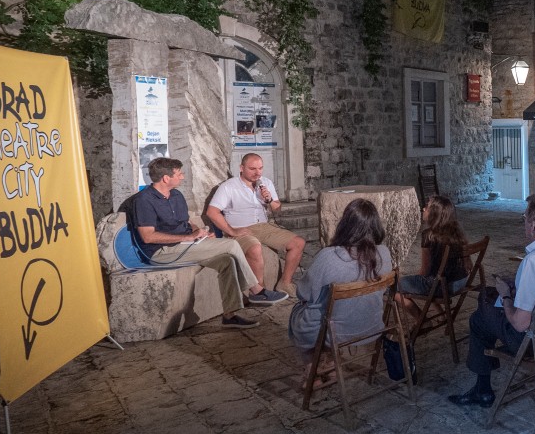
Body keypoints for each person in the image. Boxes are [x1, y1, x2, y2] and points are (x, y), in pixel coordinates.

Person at [449, 193, 535, 408]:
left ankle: (483, 390)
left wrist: (506, 295)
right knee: (488, 300)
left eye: (524, 218)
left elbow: (520, 324)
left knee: (479, 318)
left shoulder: (534, 261)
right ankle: (483, 379)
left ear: (532, 225)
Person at [133, 157, 287, 329]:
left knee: (227, 261)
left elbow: (186, 222)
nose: (183, 177)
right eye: (179, 174)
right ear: (166, 178)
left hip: (185, 245)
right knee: (231, 245)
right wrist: (188, 238)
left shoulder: (176, 195)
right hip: (162, 252)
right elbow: (148, 237)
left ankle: (229, 316)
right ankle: (256, 290)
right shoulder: (144, 200)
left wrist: (199, 232)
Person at [288, 198, 393, 383]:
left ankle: (313, 370)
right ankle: (328, 364)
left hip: (336, 331)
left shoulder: (329, 257)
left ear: (345, 226)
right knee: (328, 308)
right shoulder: (384, 253)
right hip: (370, 326)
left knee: (302, 311)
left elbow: (303, 293)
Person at [205, 152, 306, 297]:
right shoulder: (229, 186)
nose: (257, 173)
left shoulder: (266, 183)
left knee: (298, 243)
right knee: (254, 248)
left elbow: (277, 209)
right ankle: (260, 293)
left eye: (260, 168)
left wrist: (269, 199)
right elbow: (212, 212)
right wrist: (232, 231)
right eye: (252, 169)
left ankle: (285, 283)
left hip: (264, 226)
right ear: (241, 168)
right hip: (240, 229)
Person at [399, 194, 469, 310]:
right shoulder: (456, 232)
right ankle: (442, 316)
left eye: (427, 207)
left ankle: (420, 318)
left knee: (392, 286)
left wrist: (415, 280)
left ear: (434, 214)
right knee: (433, 277)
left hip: (443, 286)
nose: (423, 209)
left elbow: (425, 271)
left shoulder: (428, 236)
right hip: (461, 281)